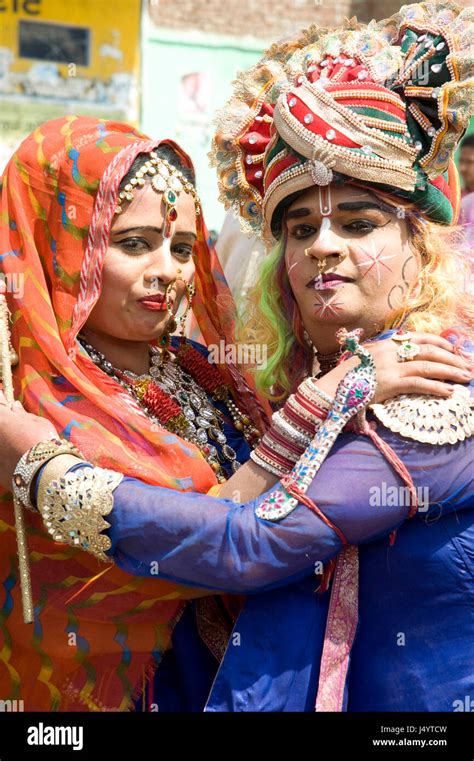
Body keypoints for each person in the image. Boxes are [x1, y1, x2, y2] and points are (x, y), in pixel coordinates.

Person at [1, 1, 473, 712]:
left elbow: (246, 544)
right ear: (66, 252)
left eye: (358, 222)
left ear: (420, 241)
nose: (322, 246)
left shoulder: (423, 381)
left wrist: (41, 470)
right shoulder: (35, 393)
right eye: (302, 227)